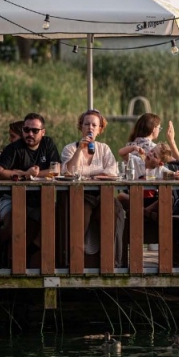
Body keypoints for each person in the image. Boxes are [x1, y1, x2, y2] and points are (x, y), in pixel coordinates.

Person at [60, 109, 125, 264]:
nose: (90, 128)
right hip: (79, 194)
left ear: (99, 130)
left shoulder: (104, 149)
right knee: (81, 213)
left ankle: (113, 260)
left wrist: (93, 177)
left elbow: (113, 172)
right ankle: (73, 259)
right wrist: (79, 150)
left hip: (102, 193)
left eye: (94, 125)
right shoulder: (70, 148)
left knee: (117, 210)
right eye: (86, 124)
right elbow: (68, 172)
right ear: (80, 127)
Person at [0, 113, 62, 248]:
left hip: (39, 200)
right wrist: (25, 175)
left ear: (43, 132)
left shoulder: (48, 143)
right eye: (26, 130)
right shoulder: (14, 148)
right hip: (10, 197)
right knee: (14, 224)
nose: (30, 133)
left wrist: (33, 174)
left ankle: (31, 253)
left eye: (35, 131)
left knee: (58, 218)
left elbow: (56, 170)